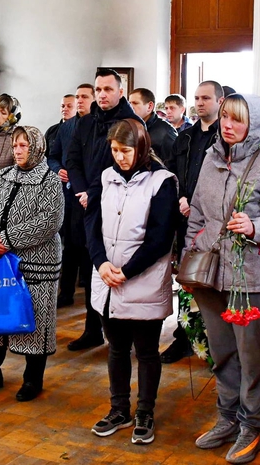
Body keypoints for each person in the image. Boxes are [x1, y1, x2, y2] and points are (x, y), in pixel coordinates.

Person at [185, 93, 260, 465]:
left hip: (253, 279)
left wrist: (253, 225)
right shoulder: (210, 159)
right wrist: (190, 255)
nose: (228, 126)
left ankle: (251, 426)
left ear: (255, 126)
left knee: (251, 357)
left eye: (238, 120)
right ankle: (227, 418)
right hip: (212, 276)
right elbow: (197, 211)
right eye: (225, 118)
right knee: (223, 352)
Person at [88, 119, 178, 445]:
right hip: (108, 278)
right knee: (116, 348)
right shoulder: (106, 177)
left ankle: (145, 411)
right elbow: (92, 223)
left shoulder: (162, 181)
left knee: (147, 351)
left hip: (143, 281)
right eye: (115, 151)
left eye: (126, 151)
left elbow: (160, 237)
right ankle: (119, 409)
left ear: (140, 148)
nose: (120, 158)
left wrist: (126, 271)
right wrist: (101, 263)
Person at [0, 126, 64, 402]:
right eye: (15, 146)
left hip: (37, 265)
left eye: (24, 145)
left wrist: (8, 238)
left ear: (36, 147)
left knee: (35, 322)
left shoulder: (49, 180)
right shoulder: (2, 176)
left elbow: (50, 221)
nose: (18, 150)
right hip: (0, 262)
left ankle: (32, 380)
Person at [65, 68, 144, 351]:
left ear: (120, 92)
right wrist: (81, 190)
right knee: (90, 270)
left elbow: (127, 164)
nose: (101, 94)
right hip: (85, 203)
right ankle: (92, 329)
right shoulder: (84, 122)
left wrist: (95, 193)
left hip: (117, 206)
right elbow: (72, 159)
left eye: (107, 89)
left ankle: (123, 334)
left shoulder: (131, 122)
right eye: (98, 90)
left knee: (116, 268)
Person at [160, 79, 225, 364]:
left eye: (206, 98)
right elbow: (173, 173)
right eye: (197, 98)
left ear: (220, 102)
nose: (199, 103)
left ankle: (216, 340)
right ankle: (184, 336)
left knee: (212, 278)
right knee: (186, 277)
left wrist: (197, 202)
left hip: (214, 221)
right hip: (185, 217)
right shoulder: (185, 137)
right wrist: (181, 197)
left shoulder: (225, 136)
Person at [46, 93, 78, 306]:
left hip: (80, 194)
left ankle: (78, 285)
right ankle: (64, 292)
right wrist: (58, 170)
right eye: (62, 105)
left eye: (69, 105)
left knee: (77, 245)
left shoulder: (87, 127)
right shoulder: (56, 130)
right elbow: (51, 156)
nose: (64, 109)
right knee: (64, 244)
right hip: (60, 192)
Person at [127, 88, 178, 162]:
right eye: (129, 103)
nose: (130, 107)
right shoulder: (130, 126)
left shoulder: (166, 132)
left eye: (135, 103)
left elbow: (172, 164)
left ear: (150, 106)